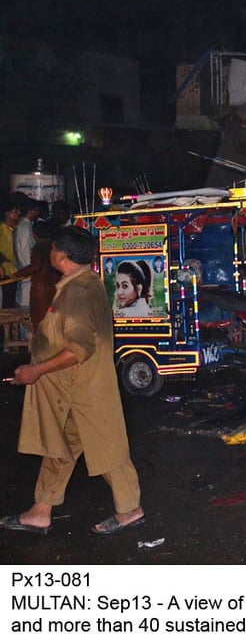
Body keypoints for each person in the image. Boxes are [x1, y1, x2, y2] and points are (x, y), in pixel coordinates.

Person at [1, 225, 145, 536]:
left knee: (108, 451)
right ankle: (41, 510)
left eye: (53, 248)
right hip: (70, 389)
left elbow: (79, 349)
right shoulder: (77, 286)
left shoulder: (78, 294)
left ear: (61, 256)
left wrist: (36, 370)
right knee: (60, 447)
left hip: (85, 389)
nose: (51, 252)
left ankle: (130, 509)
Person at [13, 220, 61, 332]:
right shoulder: (54, 246)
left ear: (34, 235)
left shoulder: (39, 247)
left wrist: (18, 274)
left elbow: (35, 266)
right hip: (54, 287)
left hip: (41, 290)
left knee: (40, 320)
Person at [14, 199, 44, 308]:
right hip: (27, 276)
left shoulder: (26, 226)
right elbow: (25, 253)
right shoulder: (24, 228)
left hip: (28, 274)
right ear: (31, 211)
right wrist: (30, 269)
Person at [0, 200, 20, 308]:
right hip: (5, 272)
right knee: (6, 305)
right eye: (15, 212)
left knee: (10, 304)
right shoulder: (2, 229)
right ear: (8, 213)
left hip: (12, 271)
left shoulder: (12, 229)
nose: (18, 215)